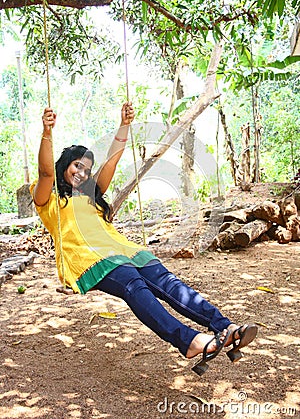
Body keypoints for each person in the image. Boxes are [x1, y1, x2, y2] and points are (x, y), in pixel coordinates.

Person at [30, 103, 258, 376]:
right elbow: (45, 173)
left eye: (87, 170)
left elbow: (112, 160)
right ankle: (190, 341)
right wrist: (47, 131)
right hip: (89, 260)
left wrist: (124, 124)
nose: (82, 173)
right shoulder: (49, 198)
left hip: (123, 251)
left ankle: (224, 326)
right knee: (134, 284)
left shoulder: (91, 194)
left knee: (168, 282)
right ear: (65, 166)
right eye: (77, 166)